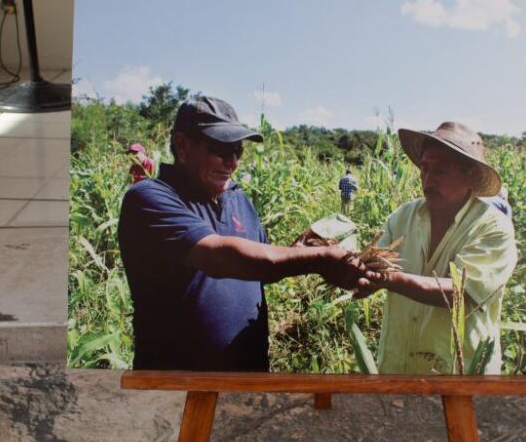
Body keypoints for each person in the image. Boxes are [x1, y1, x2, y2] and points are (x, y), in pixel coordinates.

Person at [118, 95, 367, 371]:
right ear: (182, 146)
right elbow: (220, 258)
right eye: (221, 149)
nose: (232, 162)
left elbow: (256, 265)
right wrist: (319, 259)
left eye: (238, 151)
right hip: (177, 383)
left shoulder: (238, 199)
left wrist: (298, 252)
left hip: (248, 378)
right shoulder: (150, 198)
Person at [355, 122, 518, 374]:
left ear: (471, 175)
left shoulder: (493, 229)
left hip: (458, 377)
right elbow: (373, 265)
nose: (428, 180)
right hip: (398, 368)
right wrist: (357, 272)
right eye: (425, 169)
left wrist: (388, 278)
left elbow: (462, 292)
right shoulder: (403, 217)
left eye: (440, 171)